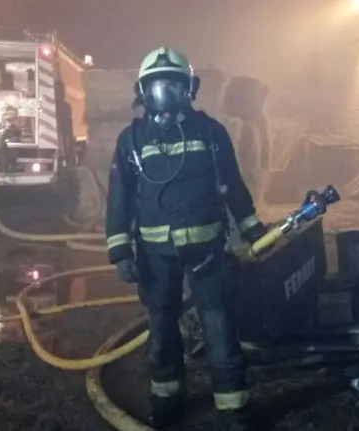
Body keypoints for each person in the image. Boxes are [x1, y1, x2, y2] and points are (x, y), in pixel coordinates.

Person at [104, 47, 267, 430]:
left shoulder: (211, 133)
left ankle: (233, 407)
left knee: (219, 327)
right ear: (143, 91)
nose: (165, 92)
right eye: (157, 85)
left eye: (173, 84)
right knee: (161, 329)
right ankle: (167, 400)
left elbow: (234, 186)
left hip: (208, 251)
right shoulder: (130, 141)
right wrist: (119, 251)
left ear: (188, 89)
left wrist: (253, 229)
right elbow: (119, 200)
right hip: (155, 257)